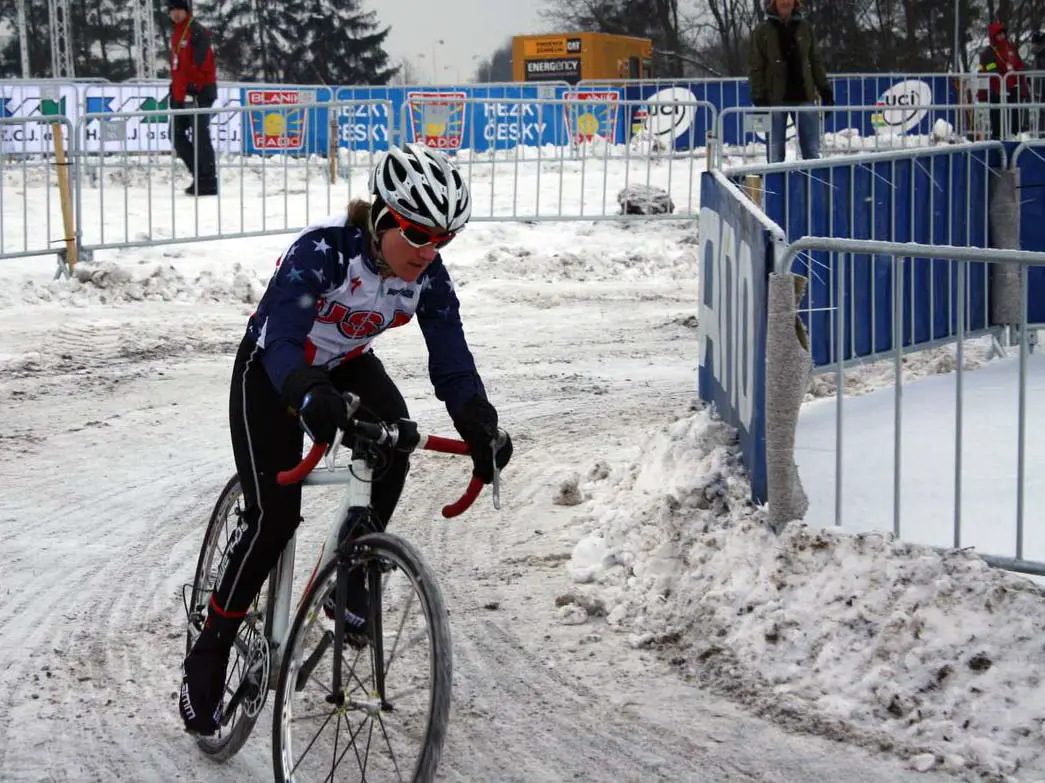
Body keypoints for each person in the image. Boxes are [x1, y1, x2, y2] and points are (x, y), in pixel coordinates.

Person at [178, 144, 514, 736]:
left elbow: (453, 362)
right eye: (414, 233)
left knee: (395, 436)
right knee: (274, 518)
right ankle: (210, 649)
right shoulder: (325, 252)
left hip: (345, 366)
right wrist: (307, 392)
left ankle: (352, 571)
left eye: (442, 238)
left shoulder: (427, 278)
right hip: (273, 369)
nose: (427, 251)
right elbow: (282, 337)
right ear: (382, 218)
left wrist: (479, 423)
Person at [747, 0, 834, 163]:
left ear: (795, 3)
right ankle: (776, 188)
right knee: (775, 155)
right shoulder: (762, 31)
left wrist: (825, 89)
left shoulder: (805, 28)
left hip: (805, 97)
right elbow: (755, 66)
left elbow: (815, 61)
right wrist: (758, 96)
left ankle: (811, 187)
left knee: (812, 153)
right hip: (774, 100)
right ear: (774, 3)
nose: (785, 2)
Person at [168, 0, 218, 196]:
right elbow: (179, 65)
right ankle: (200, 175)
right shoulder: (176, 32)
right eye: (172, 10)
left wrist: (195, 87)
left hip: (200, 91)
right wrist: (175, 89)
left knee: (200, 136)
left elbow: (203, 63)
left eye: (179, 9)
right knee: (176, 134)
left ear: (186, 11)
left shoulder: (197, 31)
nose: (176, 14)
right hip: (180, 92)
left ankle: (208, 180)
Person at [977, 21, 1029, 140]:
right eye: (998, 34)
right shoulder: (988, 52)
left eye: (1003, 33)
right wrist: (1001, 77)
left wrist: (1020, 77)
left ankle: (1016, 136)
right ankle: (997, 138)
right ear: (993, 36)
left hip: (1012, 87)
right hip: (996, 90)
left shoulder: (1011, 48)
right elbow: (990, 69)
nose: (1001, 36)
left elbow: (1019, 64)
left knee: (1014, 115)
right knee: (997, 118)